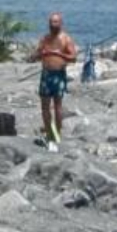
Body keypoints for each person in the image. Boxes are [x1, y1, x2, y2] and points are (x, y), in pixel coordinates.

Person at [30, 12, 77, 151]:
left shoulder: (66, 39)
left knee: (57, 106)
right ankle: (49, 134)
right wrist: (40, 54)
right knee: (44, 106)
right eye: (51, 22)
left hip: (59, 75)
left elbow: (73, 57)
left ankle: (57, 133)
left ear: (60, 23)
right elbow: (35, 55)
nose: (52, 25)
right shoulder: (45, 38)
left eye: (55, 22)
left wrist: (58, 54)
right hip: (46, 74)